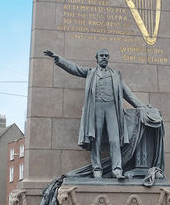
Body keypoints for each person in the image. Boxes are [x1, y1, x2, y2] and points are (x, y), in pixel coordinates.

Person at [44, 49, 145, 179]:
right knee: (95, 140)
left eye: (106, 56)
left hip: (112, 109)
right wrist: (58, 59)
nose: (104, 58)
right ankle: (97, 170)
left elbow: (127, 93)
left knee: (115, 140)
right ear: (96, 58)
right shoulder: (91, 73)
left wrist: (141, 106)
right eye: (101, 56)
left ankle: (117, 170)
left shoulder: (115, 75)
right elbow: (74, 69)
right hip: (96, 108)